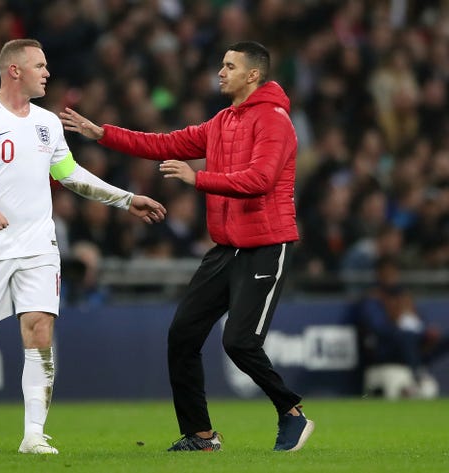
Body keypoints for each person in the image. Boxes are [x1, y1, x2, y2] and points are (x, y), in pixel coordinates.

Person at [61, 41, 314, 452]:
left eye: (230, 66)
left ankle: (292, 413)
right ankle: (200, 435)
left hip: (267, 244)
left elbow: (261, 180)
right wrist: (101, 133)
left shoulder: (275, 121)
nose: (220, 71)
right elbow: (163, 144)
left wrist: (198, 179)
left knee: (239, 341)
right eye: (222, 64)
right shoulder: (222, 122)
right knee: (182, 335)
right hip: (226, 247)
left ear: (253, 75)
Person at [0, 39, 166, 455]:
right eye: (40, 65)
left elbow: (70, 175)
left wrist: (125, 199)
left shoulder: (46, 123)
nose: (47, 72)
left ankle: (33, 435)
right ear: (15, 70)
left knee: (40, 331)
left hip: (37, 247)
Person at [355, 256, 449, 399]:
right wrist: (395, 319)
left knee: (439, 339)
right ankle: (417, 374)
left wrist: (426, 333)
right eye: (388, 273)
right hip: (385, 349)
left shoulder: (403, 295)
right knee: (406, 336)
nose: (392, 277)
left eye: (394, 273)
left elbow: (418, 323)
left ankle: (419, 370)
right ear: (379, 274)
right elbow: (379, 329)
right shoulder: (373, 299)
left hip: (413, 346)